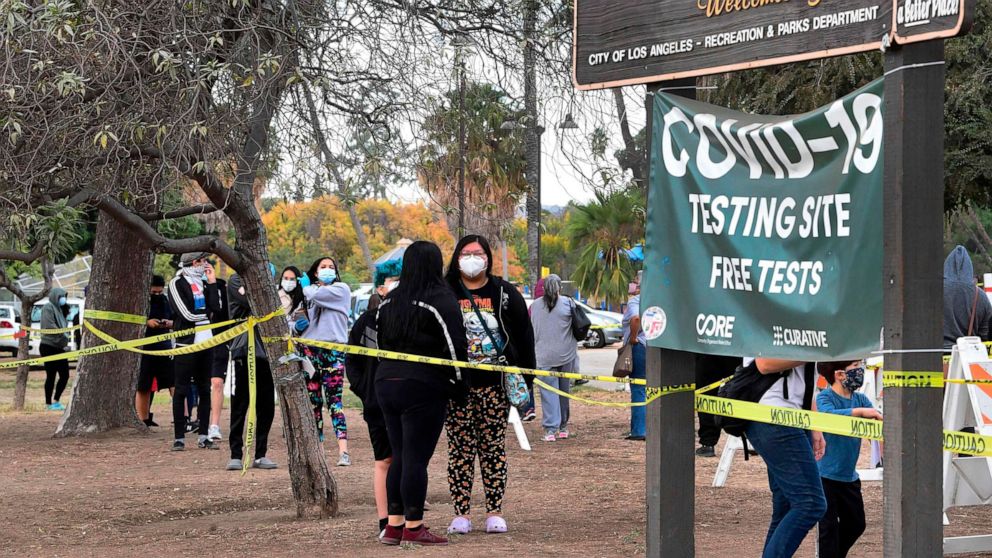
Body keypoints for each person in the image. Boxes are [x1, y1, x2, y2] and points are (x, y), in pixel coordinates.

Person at [376, 241, 468, 547]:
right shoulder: (441, 298)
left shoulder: (389, 300)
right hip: (423, 386)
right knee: (416, 457)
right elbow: (456, 347)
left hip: (387, 382)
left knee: (400, 454)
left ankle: (393, 525)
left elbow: (379, 344)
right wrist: (460, 386)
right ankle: (414, 526)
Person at [444, 234, 536, 535]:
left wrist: (527, 378)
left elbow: (524, 336)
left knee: (493, 448)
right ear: (457, 257)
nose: (472, 258)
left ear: (488, 258)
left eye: (478, 253)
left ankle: (494, 510)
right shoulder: (445, 291)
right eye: (466, 252)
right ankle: (461, 512)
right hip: (456, 388)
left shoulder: (504, 293)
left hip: (495, 387)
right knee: (460, 450)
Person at [745, 358, 827, 558]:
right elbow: (764, 363)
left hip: (795, 415)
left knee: (786, 505)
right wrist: (817, 349)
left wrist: (815, 425)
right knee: (811, 503)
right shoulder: (772, 326)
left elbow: (806, 382)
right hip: (772, 414)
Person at [345, 260, 400, 539]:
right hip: (377, 404)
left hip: (408, 403)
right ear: (381, 286)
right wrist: (365, 390)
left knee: (409, 458)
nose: (397, 284)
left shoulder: (413, 319)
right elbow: (351, 361)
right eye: (393, 279)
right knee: (384, 460)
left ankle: (406, 516)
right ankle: (385, 521)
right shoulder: (366, 322)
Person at [816, 360, 880, 558]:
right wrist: (859, 413)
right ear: (839, 374)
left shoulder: (861, 399)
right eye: (855, 366)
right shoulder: (824, 397)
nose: (860, 370)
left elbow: (877, 422)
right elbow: (827, 416)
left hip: (848, 477)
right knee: (828, 529)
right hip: (824, 476)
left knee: (856, 524)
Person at [300, 255, 352, 465]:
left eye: (331, 266)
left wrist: (307, 287)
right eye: (323, 266)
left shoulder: (341, 289)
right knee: (314, 402)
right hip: (310, 350)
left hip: (333, 350)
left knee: (335, 402)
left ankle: (343, 451)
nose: (328, 269)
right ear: (315, 271)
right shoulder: (310, 295)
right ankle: (318, 451)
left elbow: (315, 293)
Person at [168, 252, 222, 451]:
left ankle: (203, 435)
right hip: (186, 344)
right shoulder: (176, 283)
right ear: (193, 262)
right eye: (202, 261)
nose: (205, 264)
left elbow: (215, 308)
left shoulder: (204, 283)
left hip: (206, 343)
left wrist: (212, 282)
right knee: (181, 389)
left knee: (203, 389)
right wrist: (205, 317)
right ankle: (179, 436)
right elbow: (186, 314)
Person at [224, 273, 277, 471]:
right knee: (240, 402)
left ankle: (261, 454)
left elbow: (275, 304)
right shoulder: (236, 280)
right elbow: (253, 301)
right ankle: (236, 454)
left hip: (267, 351)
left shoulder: (266, 278)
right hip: (243, 348)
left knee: (266, 404)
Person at [529, 274, 577, 442]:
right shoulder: (568, 303)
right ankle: (563, 427)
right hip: (566, 354)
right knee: (564, 392)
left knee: (548, 394)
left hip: (543, 356)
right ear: (559, 287)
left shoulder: (534, 306)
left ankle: (551, 430)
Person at [135, 275, 175, 426]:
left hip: (164, 347)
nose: (157, 295)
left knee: (173, 383)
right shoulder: (140, 300)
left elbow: (173, 317)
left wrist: (167, 323)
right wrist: (146, 322)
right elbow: (131, 319)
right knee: (143, 386)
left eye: (159, 292)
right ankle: (143, 420)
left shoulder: (165, 300)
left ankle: (181, 418)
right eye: (154, 293)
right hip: (144, 349)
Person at [943, 245, 992, 350]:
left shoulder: (931, 292)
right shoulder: (981, 296)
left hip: (932, 356)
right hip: (966, 358)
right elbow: (985, 336)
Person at [694, 354, 741, 456]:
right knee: (742, 391)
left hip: (708, 347)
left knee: (707, 394)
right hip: (736, 348)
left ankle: (708, 444)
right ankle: (750, 440)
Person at [206, 271, 230, 442]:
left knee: (217, 382)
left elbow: (219, 310)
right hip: (196, 341)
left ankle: (214, 425)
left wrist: (214, 284)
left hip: (219, 342)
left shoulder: (221, 288)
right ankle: (198, 423)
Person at [622, 271, 646, 440]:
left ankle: (639, 430)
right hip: (657, 347)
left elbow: (636, 318)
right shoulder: (662, 301)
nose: (634, 285)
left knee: (638, 388)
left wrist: (633, 337)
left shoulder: (637, 301)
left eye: (636, 282)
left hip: (640, 347)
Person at [39, 287, 71, 411]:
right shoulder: (48, 307)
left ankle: (56, 400)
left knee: (65, 375)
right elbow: (50, 326)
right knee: (51, 375)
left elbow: (64, 329)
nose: (63, 299)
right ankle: (48, 404)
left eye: (64, 296)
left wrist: (64, 341)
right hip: (48, 346)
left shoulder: (61, 309)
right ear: (55, 297)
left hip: (60, 346)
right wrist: (64, 336)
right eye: (61, 296)